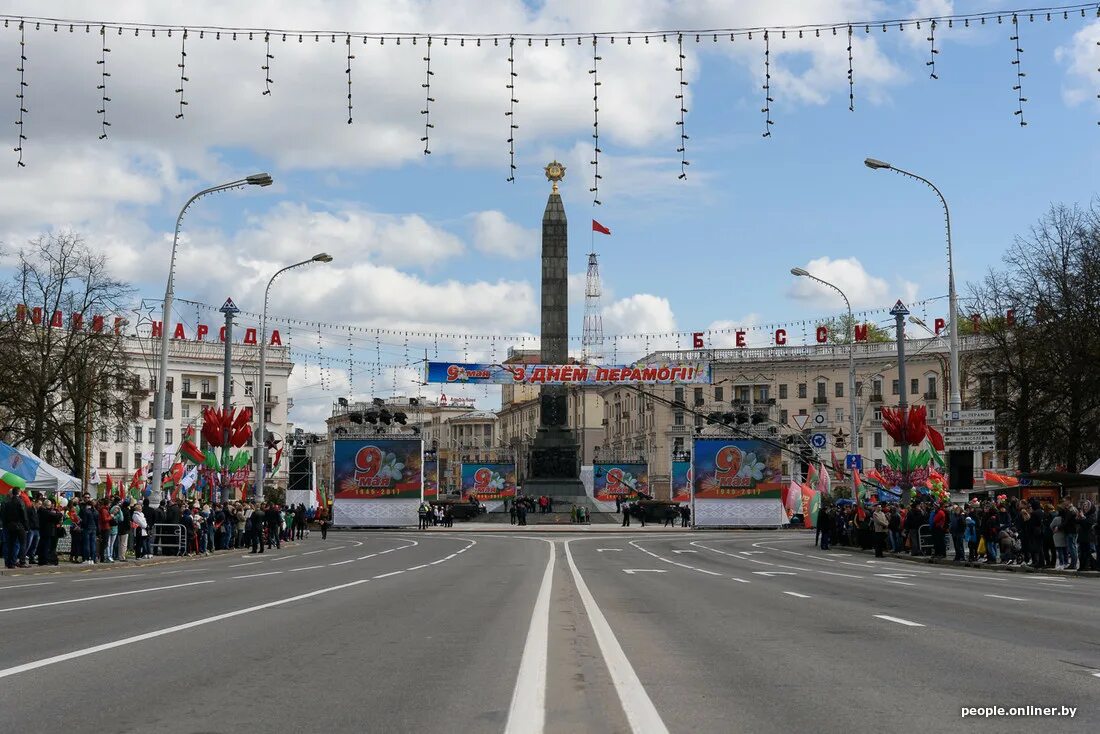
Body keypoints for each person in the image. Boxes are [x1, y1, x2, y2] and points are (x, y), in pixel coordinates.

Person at [2, 489, 30, 568]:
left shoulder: (7, 502)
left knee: (11, 544)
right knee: (23, 543)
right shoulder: (20, 501)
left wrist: (6, 525)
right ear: (19, 493)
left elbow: (4, 516)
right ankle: (22, 561)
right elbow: (24, 516)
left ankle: (11, 563)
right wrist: (26, 527)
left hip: (10, 525)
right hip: (20, 525)